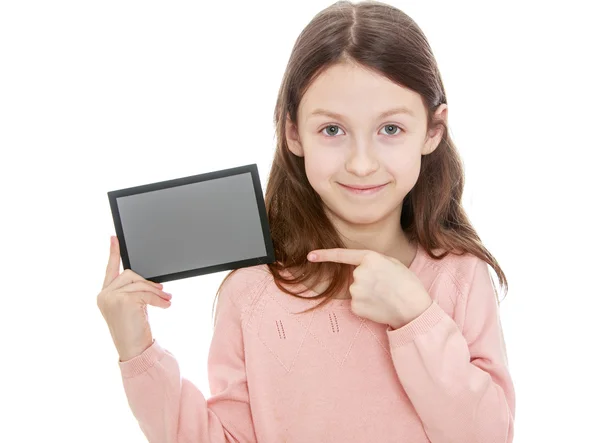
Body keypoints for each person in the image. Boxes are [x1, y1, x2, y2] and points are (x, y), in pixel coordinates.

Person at [97, 1, 516, 442]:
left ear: (433, 130)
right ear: (293, 132)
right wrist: (137, 350)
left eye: (390, 129)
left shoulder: (460, 277)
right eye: (332, 130)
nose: (360, 164)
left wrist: (416, 318)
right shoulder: (254, 292)